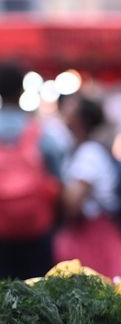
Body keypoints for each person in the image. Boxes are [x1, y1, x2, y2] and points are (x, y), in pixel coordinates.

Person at [54, 94, 121, 279]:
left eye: (69, 109)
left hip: (94, 240)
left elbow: (73, 204)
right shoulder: (87, 150)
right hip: (98, 234)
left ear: (80, 120)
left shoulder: (88, 154)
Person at [0, 63, 66, 280]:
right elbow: (58, 179)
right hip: (38, 230)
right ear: (21, 90)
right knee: (39, 292)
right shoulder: (41, 132)